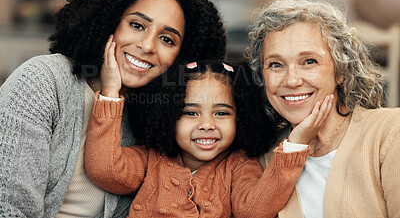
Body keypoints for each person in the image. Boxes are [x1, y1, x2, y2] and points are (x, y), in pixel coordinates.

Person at [0, 0, 227, 217]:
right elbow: (10, 206)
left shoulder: (153, 119)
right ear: (109, 22)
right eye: (137, 25)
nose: (148, 45)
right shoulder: (43, 81)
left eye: (167, 39)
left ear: (181, 57)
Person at [84, 56, 334, 217]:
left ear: (241, 118)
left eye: (222, 113)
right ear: (169, 116)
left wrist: (296, 143)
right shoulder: (152, 160)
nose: (206, 125)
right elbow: (105, 171)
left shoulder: (238, 166)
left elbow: (255, 210)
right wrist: (110, 93)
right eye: (191, 112)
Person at [245, 0, 400, 217]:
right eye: (276, 64)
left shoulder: (391, 133)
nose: (291, 80)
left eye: (309, 61)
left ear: (341, 71)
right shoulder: (266, 160)